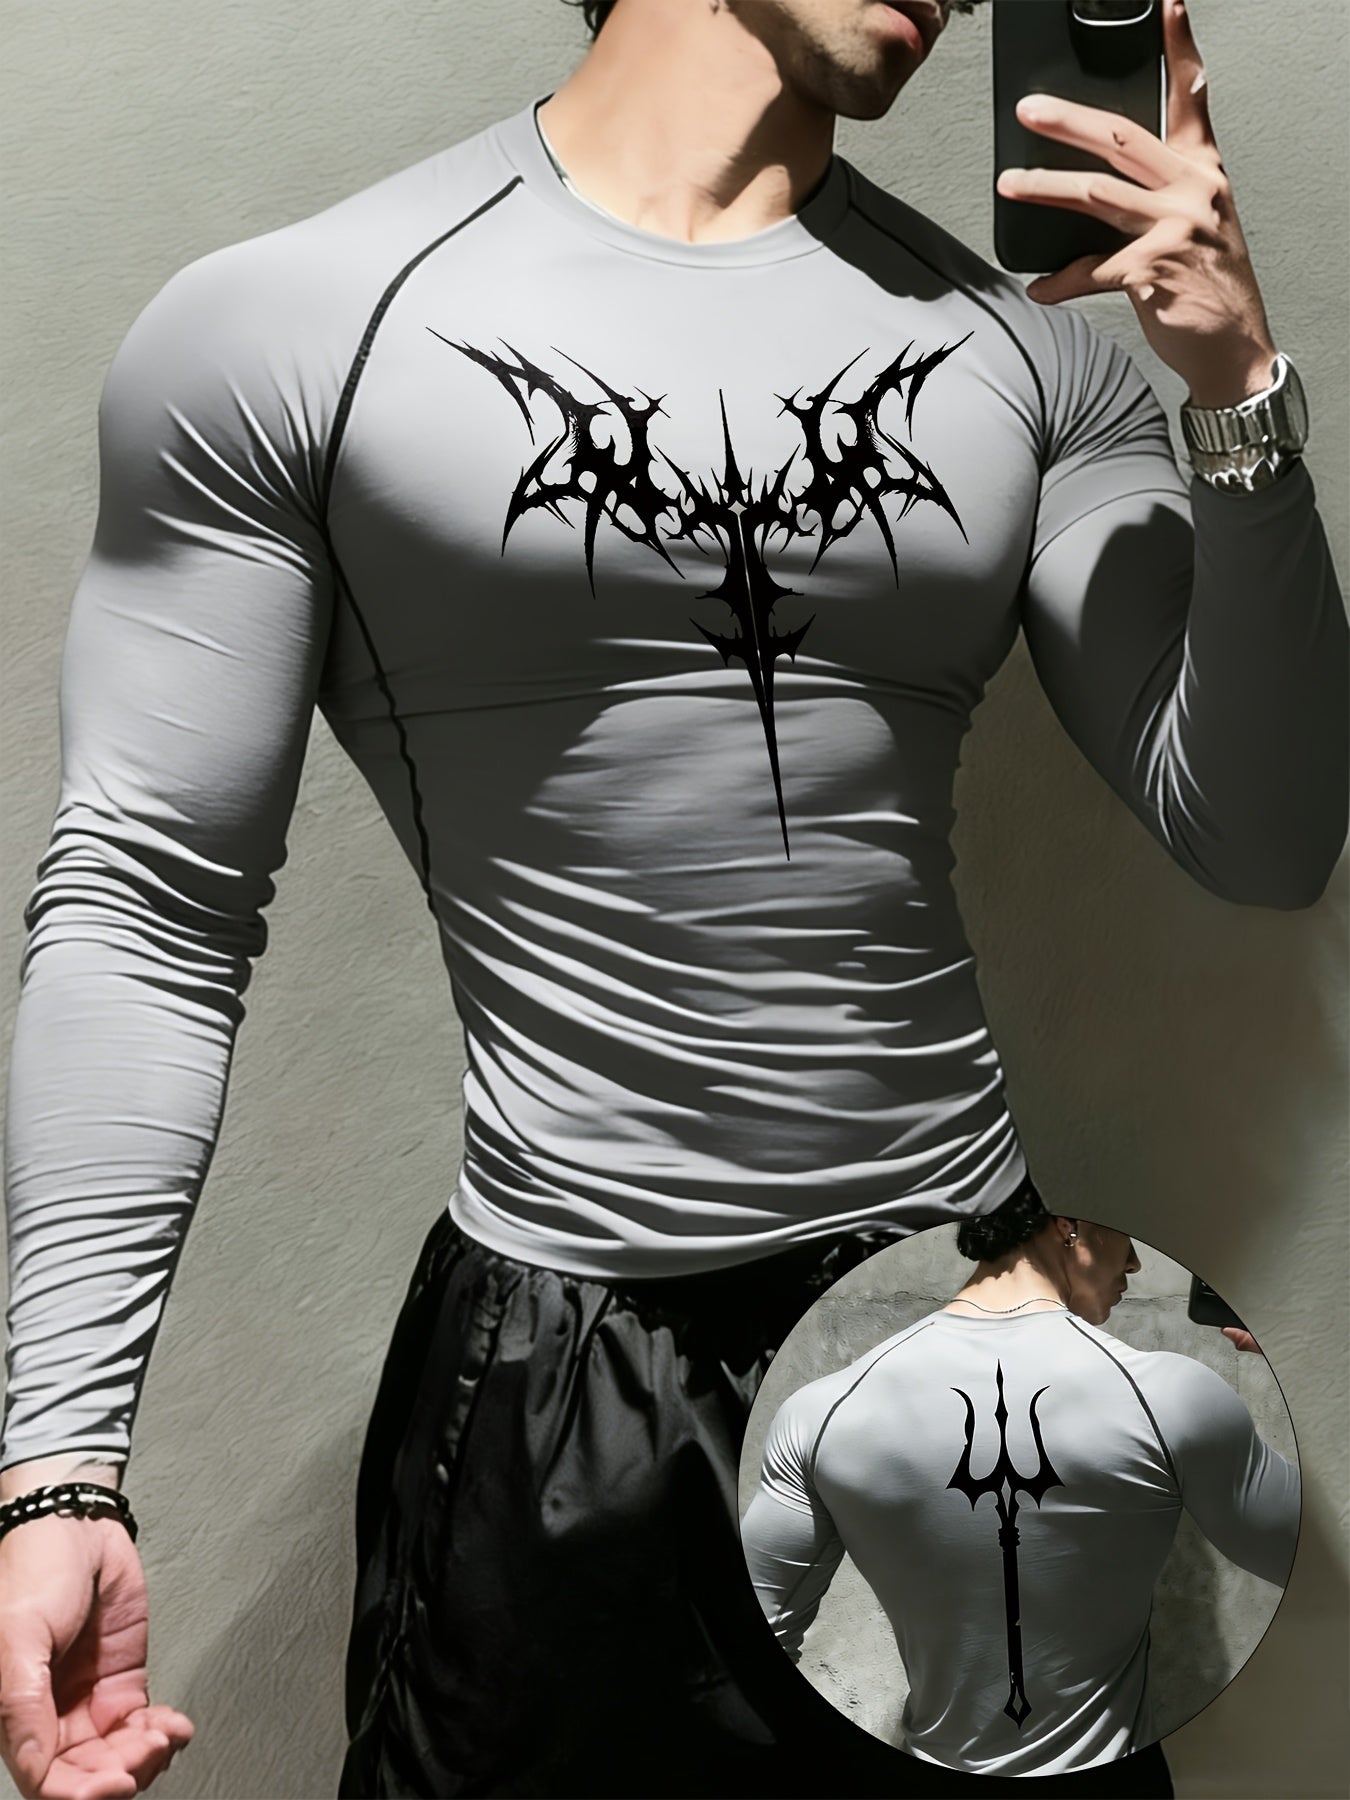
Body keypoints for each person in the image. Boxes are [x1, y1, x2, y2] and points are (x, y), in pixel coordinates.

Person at [0, 0, 1344, 1795]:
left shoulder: (1030, 355)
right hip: (564, 1378)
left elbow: (1261, 834)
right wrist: (59, 1468)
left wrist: (1237, 394)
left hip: (969, 1336)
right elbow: (151, 907)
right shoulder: (296, 324)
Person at [740, 1191, 1299, 1790]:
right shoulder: (1169, 1396)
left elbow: (745, 1648)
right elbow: (1315, 1553)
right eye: (1127, 1236)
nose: (1135, 1262)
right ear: (1069, 1223)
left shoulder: (824, 1412)